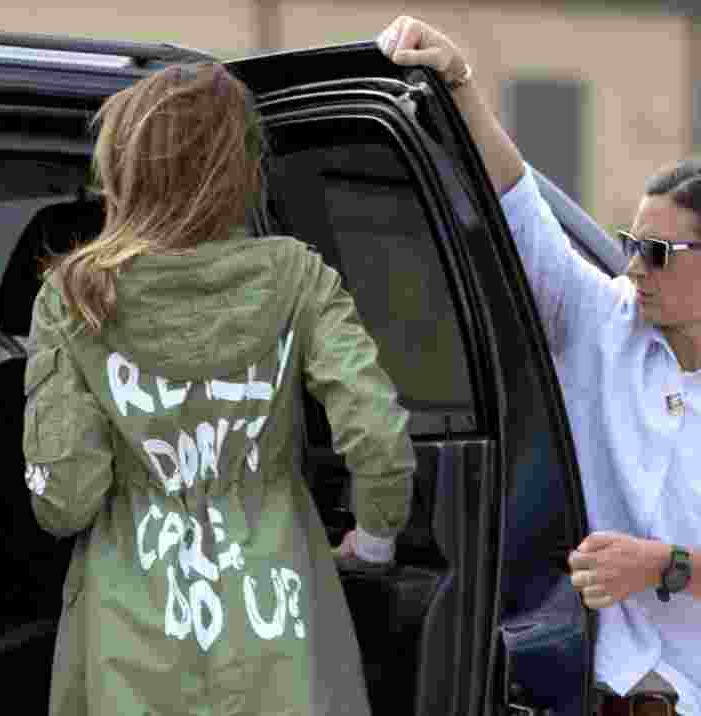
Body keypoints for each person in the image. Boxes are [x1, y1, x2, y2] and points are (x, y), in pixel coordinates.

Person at [377, 15, 701, 716]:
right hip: (597, 694)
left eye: (659, 254)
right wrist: (460, 86)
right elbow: (521, 212)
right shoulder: (604, 322)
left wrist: (663, 564)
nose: (635, 268)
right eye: (629, 244)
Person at [22, 62, 415, 716]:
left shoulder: (73, 297)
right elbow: (378, 434)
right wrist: (375, 539)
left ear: (124, 167)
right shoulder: (296, 277)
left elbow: (64, 500)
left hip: (130, 648)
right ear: (239, 169)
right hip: (278, 637)